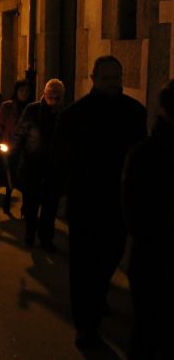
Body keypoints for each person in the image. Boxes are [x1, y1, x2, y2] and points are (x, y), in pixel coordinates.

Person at [53, 56, 147, 349]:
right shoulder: (74, 116)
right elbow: (60, 160)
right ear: (93, 78)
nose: (112, 83)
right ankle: (85, 324)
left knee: (110, 256)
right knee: (83, 266)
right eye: (105, 78)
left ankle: (98, 294)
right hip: (86, 202)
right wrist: (62, 197)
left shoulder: (134, 112)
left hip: (117, 203)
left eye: (116, 77)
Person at [122, 79, 174, 359]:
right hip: (154, 256)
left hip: (149, 255)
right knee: (149, 329)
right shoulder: (147, 154)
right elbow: (134, 209)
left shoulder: (143, 152)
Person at [11, 79, 65, 249]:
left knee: (50, 206)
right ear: (45, 94)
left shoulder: (65, 113)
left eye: (57, 98)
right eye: (51, 97)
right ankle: (29, 234)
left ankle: (46, 238)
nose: (54, 101)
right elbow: (20, 133)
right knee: (31, 204)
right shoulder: (32, 110)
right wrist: (14, 156)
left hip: (54, 168)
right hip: (32, 165)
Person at [0, 79, 32, 214]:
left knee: (26, 177)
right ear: (16, 91)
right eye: (21, 90)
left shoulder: (32, 108)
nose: (24, 93)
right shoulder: (7, 106)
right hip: (11, 146)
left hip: (26, 148)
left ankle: (26, 205)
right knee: (10, 174)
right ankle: (7, 198)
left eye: (26, 91)